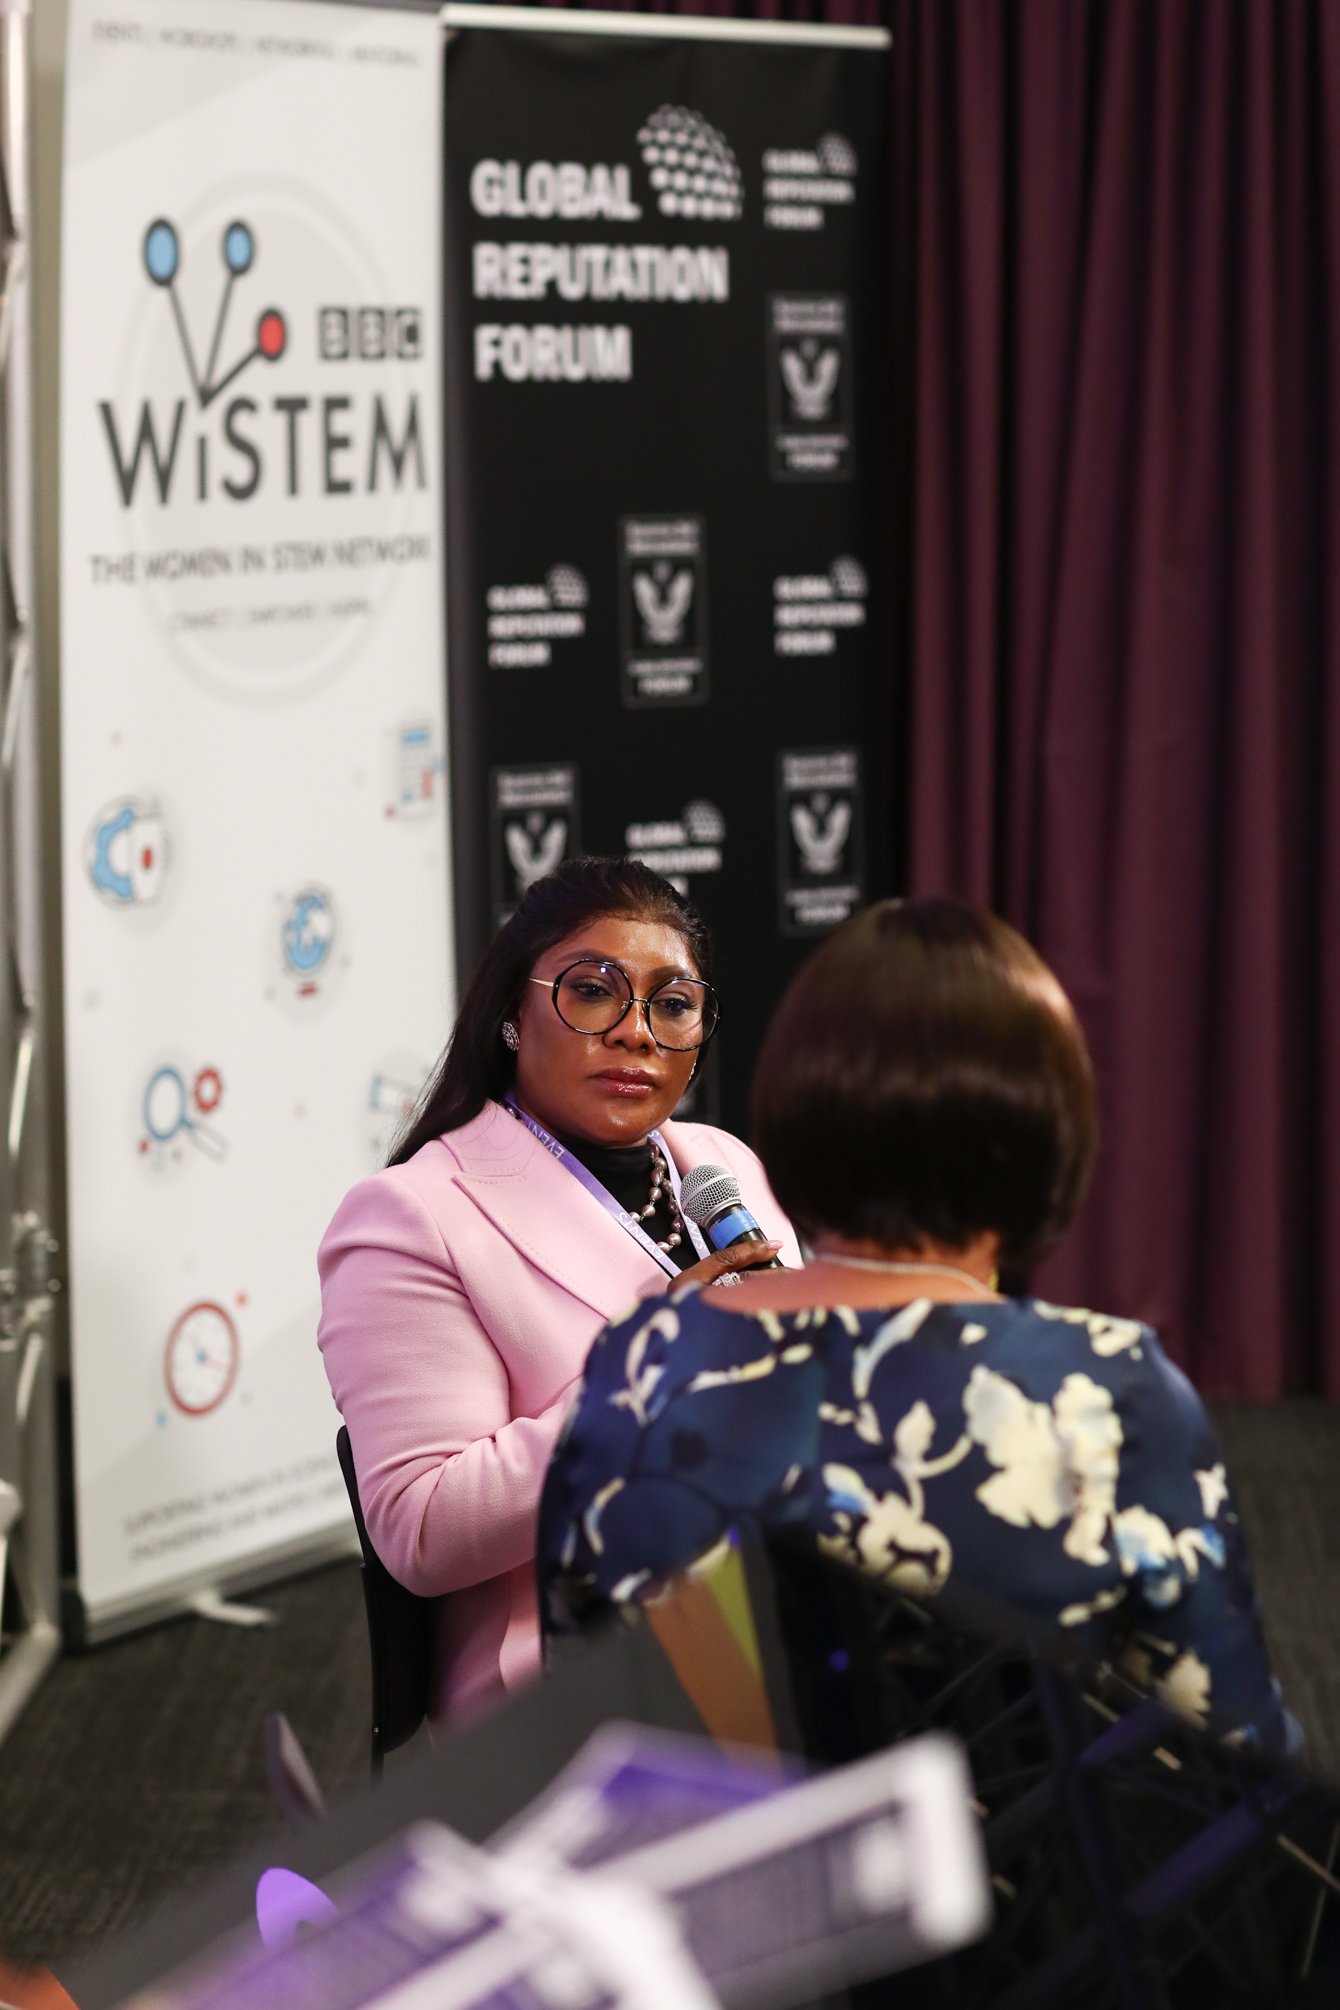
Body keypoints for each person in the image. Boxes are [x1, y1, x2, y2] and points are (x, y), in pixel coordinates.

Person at [539, 896, 1290, 1758]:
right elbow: (1236, 1759)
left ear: (795, 1113)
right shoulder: (1114, 1391)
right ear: (1048, 1136)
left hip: (717, 1838)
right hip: (1016, 1843)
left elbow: (580, 1697)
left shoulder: (642, 1359)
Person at [317, 856, 800, 1726]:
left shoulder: (722, 1166)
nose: (636, 1033)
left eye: (673, 1004)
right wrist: (646, 1377)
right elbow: (422, 1532)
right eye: (594, 993)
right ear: (513, 1011)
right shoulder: (411, 1217)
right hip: (580, 1672)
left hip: (777, 1606)